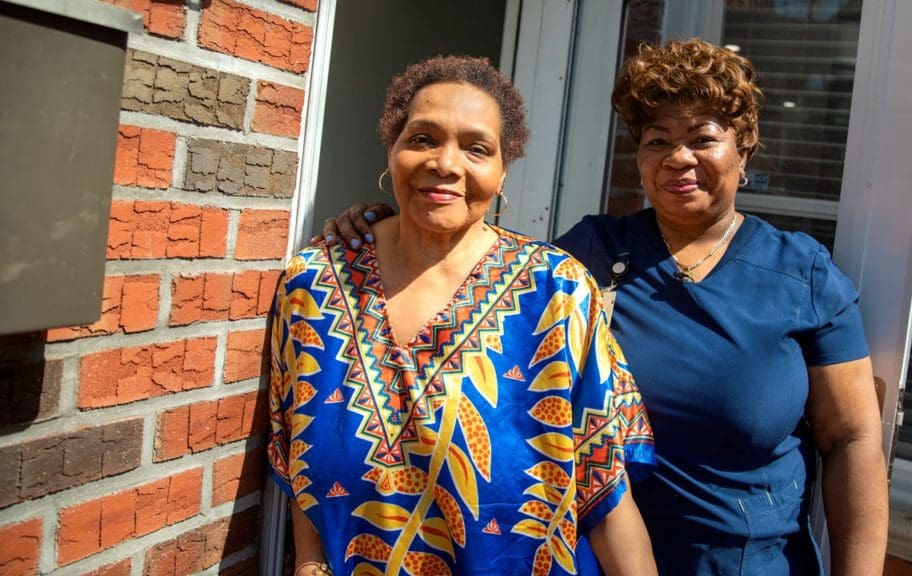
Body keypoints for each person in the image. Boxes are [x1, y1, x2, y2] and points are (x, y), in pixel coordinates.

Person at [320, 39, 889, 575]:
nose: (678, 158)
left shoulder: (800, 275)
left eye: (702, 138)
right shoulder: (590, 254)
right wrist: (392, 228)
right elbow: (477, 274)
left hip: (744, 563)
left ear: (744, 147)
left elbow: (853, 439)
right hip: (594, 554)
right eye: (657, 141)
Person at [268, 55, 658, 576]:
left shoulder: (557, 293)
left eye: (477, 148)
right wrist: (309, 563)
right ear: (392, 147)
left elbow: (606, 493)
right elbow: (301, 456)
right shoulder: (312, 285)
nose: (446, 164)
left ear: (502, 173)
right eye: (423, 138)